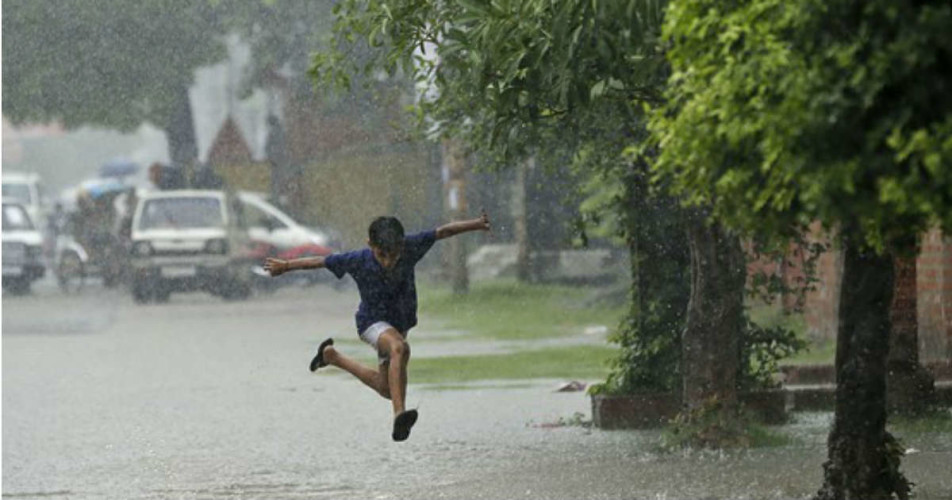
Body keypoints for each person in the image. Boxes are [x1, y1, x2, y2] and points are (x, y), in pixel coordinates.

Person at [264, 213, 491, 441]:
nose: (387, 261)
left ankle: (331, 357)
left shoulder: (411, 247)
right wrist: (285, 266)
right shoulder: (358, 259)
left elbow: (442, 232)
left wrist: (476, 224)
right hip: (371, 322)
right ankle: (399, 415)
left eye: (393, 255)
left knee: (386, 389)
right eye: (381, 255)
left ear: (402, 245)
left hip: (399, 323)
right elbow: (321, 261)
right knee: (400, 348)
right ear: (370, 245)